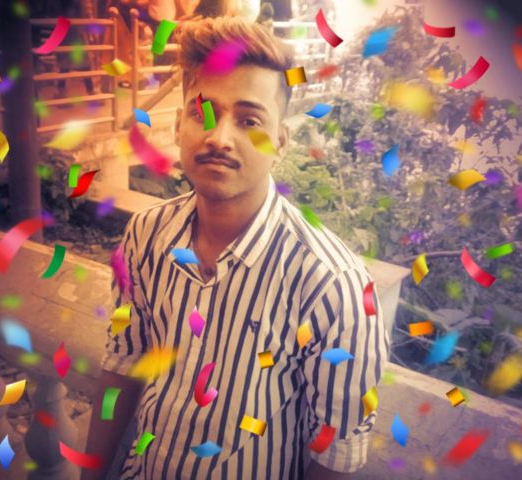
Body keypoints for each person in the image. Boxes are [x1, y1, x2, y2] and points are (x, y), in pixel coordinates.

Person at [83, 16, 389, 480]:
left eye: (249, 121)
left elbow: (335, 454)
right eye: (202, 113)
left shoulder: (332, 285)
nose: (219, 137)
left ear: (279, 142)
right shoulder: (146, 235)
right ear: (178, 125)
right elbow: (123, 366)